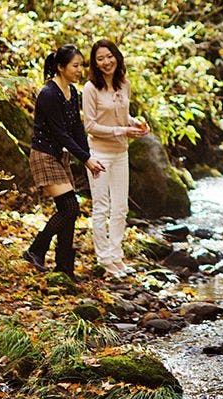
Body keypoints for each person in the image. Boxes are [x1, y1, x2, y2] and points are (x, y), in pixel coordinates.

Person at [23, 45, 104, 280]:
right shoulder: (48, 93)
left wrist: (88, 154)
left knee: (67, 212)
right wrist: (86, 159)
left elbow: (76, 128)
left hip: (61, 157)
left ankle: (65, 269)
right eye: (75, 66)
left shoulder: (72, 92)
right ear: (61, 67)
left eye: (81, 65)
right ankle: (35, 250)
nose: (80, 70)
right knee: (70, 208)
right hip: (45, 155)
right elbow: (60, 133)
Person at [82, 39, 149, 277]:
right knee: (101, 208)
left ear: (117, 57)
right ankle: (104, 259)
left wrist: (136, 124)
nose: (106, 62)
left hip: (121, 153)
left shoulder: (124, 84)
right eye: (100, 59)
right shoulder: (90, 89)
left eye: (109, 57)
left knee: (121, 208)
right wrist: (123, 131)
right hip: (98, 154)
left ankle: (117, 256)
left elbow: (123, 115)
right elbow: (90, 125)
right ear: (95, 63)